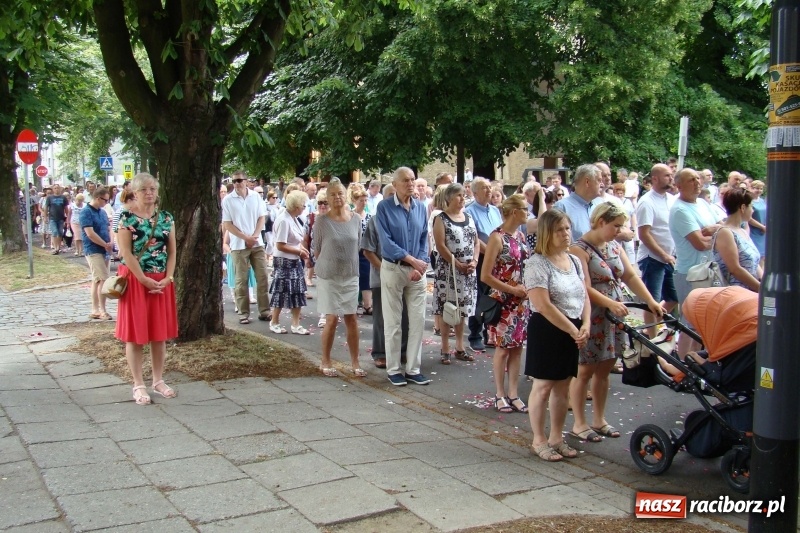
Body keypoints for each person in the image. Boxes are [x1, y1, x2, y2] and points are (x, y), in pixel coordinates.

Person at [568, 203, 664, 442]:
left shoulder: (614, 245)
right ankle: (579, 423)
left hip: (614, 314)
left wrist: (650, 301)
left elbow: (630, 276)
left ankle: (599, 419)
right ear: (601, 222)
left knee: (605, 367)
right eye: (616, 226)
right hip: (593, 314)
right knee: (585, 369)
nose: (620, 231)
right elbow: (584, 287)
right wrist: (609, 303)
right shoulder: (579, 249)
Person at [524, 209, 590, 462]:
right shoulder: (537, 263)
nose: (565, 234)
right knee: (543, 386)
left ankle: (556, 437)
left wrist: (585, 323)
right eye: (559, 230)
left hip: (573, 328)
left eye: (567, 228)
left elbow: (583, 294)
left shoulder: (573, 260)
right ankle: (539, 439)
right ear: (547, 234)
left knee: (563, 387)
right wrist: (573, 329)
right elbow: (543, 304)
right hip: (548, 329)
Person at [115, 173, 178, 405]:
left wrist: (168, 277)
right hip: (135, 281)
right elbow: (126, 252)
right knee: (136, 335)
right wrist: (142, 279)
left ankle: (158, 380)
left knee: (159, 334)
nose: (149, 193)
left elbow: (172, 251)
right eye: (143, 190)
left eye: (152, 189)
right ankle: (138, 384)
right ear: (135, 192)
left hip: (160, 281)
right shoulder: (127, 218)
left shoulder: (166, 217)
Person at [376, 167, 431, 386]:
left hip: (417, 271)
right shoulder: (384, 207)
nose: (410, 184)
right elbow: (386, 242)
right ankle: (394, 369)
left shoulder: (420, 207)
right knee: (393, 322)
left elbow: (424, 238)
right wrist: (411, 260)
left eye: (412, 180)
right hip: (394, 268)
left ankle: (413, 369)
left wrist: (420, 264)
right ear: (395, 185)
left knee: (417, 321)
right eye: (405, 180)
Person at [481, 195, 531, 413]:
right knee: (502, 349)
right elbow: (486, 275)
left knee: (517, 347)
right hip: (504, 301)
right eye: (525, 209)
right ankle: (500, 394)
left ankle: (513, 393)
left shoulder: (520, 235)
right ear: (514, 212)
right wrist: (512, 289)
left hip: (521, 301)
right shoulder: (497, 237)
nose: (527, 213)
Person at [312, 179, 363, 377]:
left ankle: (355, 362)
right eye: (332, 194)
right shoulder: (322, 221)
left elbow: (357, 245)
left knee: (351, 318)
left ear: (345, 195)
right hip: (329, 276)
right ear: (327, 198)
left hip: (350, 274)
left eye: (340, 193)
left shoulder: (356, 219)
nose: (337, 197)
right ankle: (325, 361)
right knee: (331, 318)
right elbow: (317, 250)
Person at [670, 168, 722, 356]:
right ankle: (683, 364)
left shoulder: (703, 203)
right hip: (690, 273)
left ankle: (697, 361)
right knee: (689, 322)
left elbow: (724, 227)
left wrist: (715, 229)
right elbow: (700, 244)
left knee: (706, 320)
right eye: (691, 180)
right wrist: (718, 235)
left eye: (698, 178)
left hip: (709, 269)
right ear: (679, 186)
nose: (697, 182)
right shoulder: (680, 210)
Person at [432, 183, 479, 364]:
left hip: (467, 272)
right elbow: (440, 245)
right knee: (448, 308)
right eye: (458, 195)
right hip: (448, 272)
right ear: (449, 198)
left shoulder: (469, 217)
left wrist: (474, 261)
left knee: (463, 309)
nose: (462, 198)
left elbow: (476, 242)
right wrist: (456, 264)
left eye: (463, 195)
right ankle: (445, 348)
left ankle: (460, 346)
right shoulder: (441, 218)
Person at [221, 170, 271, 324]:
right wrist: (245, 237)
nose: (237, 183)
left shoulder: (255, 196)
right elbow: (227, 224)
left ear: (246, 181)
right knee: (241, 280)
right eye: (234, 181)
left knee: (262, 277)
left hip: (257, 243)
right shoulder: (228, 200)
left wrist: (254, 236)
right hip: (238, 244)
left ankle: (264, 311)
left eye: (239, 180)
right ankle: (243, 313)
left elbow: (261, 217)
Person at [635, 163, 678, 338]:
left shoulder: (672, 200)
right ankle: (651, 341)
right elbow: (644, 234)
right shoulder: (646, 202)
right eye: (667, 175)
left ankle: (650, 329)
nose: (671, 178)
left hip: (670, 257)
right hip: (652, 258)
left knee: (673, 297)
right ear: (655, 178)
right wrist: (663, 255)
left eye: (671, 175)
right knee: (651, 301)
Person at [464, 177, 502, 353]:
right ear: (475, 192)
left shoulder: (494, 210)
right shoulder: (469, 211)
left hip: (497, 259)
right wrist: (490, 253)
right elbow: (474, 237)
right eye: (484, 188)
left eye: (489, 187)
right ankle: (475, 335)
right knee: (478, 296)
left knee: (494, 296)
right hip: (480, 259)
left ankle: (490, 333)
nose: (488, 190)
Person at [269, 190, 310, 333]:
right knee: (281, 291)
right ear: (296, 206)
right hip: (284, 261)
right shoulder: (283, 220)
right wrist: (299, 251)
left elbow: (296, 240)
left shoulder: (294, 219)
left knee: (298, 291)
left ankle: (296, 324)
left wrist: (302, 249)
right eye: (303, 205)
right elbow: (280, 245)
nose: (304, 207)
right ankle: (274, 321)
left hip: (294, 261)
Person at [712, 188, 762, 292]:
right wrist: (761, 289)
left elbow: (755, 263)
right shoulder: (725, 232)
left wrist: (764, 282)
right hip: (736, 294)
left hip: (752, 292)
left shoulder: (742, 231)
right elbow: (735, 269)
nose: (752, 211)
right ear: (743, 207)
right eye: (751, 206)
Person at [80, 187, 114, 321]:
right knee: (103, 279)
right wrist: (104, 244)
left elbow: (108, 228)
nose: (106, 203)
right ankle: (102, 310)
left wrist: (110, 242)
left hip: (105, 249)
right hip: (93, 249)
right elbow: (90, 233)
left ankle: (95, 309)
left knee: (97, 280)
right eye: (105, 200)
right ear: (98, 198)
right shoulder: (86, 212)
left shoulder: (103, 212)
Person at [553, 164, 603, 240]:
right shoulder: (562, 207)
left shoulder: (600, 205)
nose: (602, 184)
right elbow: (555, 240)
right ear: (587, 182)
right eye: (599, 180)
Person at [350, 184, 374, 315]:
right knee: (352, 278)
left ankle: (367, 305)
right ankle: (351, 305)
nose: (364, 203)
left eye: (365, 200)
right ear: (354, 201)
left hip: (365, 251)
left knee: (366, 277)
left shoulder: (369, 217)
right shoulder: (349, 215)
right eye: (361, 200)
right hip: (351, 251)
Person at [45, 184, 69, 254]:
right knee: (55, 232)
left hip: (61, 218)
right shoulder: (49, 198)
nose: (56, 189)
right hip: (52, 218)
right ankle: (55, 248)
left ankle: (58, 247)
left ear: (60, 189)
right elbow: (46, 207)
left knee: (60, 232)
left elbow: (66, 208)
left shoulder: (63, 197)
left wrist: (67, 218)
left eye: (58, 188)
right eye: (55, 188)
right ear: (53, 189)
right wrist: (45, 217)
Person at [748, 180, 766, 268]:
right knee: (756, 255)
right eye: (757, 188)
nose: (759, 190)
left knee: (763, 256)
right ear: (751, 188)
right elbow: (749, 218)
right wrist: (761, 226)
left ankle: (762, 275)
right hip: (754, 231)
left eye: (761, 189)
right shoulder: (749, 201)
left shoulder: (762, 201)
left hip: (763, 232)